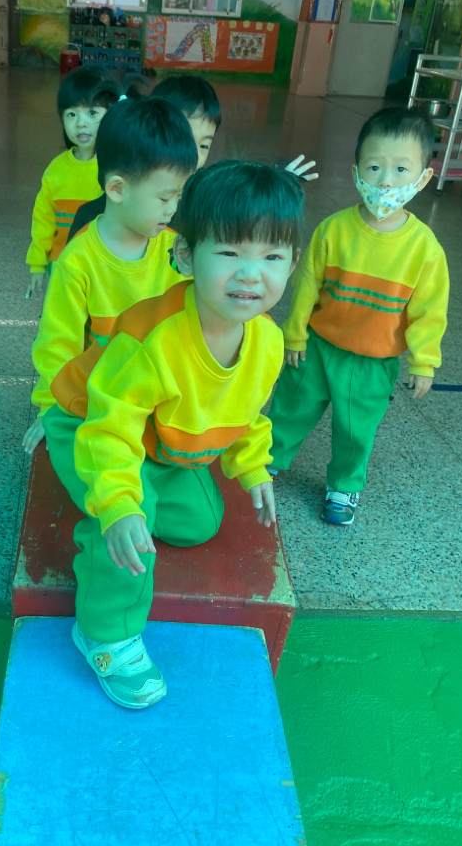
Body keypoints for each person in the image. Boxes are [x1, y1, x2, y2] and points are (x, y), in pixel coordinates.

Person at [45, 161, 303, 709]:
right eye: (229, 252)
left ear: (293, 263)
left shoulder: (267, 340)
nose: (251, 275)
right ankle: (104, 634)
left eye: (271, 257)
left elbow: (246, 409)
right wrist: (120, 505)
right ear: (184, 255)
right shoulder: (151, 339)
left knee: (199, 524)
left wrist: (252, 465)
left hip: (158, 442)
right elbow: (110, 427)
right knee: (125, 526)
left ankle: (145, 494)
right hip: (88, 423)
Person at [267, 107, 449, 526]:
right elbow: (306, 286)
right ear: (355, 173)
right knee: (291, 408)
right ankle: (267, 459)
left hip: (372, 362)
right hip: (317, 347)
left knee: (356, 430)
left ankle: (344, 486)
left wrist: (424, 361)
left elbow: (429, 311)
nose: (385, 181)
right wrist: (294, 335)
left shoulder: (425, 249)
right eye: (374, 167)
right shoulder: (333, 230)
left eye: (401, 169)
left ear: (423, 177)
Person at [22, 95, 197, 455]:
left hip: (155, 402)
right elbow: (57, 346)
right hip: (96, 400)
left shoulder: (176, 251)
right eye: (164, 197)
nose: (173, 208)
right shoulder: (78, 261)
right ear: (117, 189)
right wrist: (53, 407)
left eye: (179, 195)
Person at [66, 73, 317, 242]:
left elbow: (238, 195)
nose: (193, 156)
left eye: (204, 145)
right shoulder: (89, 221)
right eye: (184, 139)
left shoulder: (199, 194)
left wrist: (276, 181)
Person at [25, 66, 127, 299]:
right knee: (62, 315)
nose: (81, 123)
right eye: (71, 114)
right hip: (63, 264)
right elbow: (43, 221)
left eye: (92, 113)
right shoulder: (56, 170)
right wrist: (37, 265)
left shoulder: (121, 166)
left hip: (105, 266)